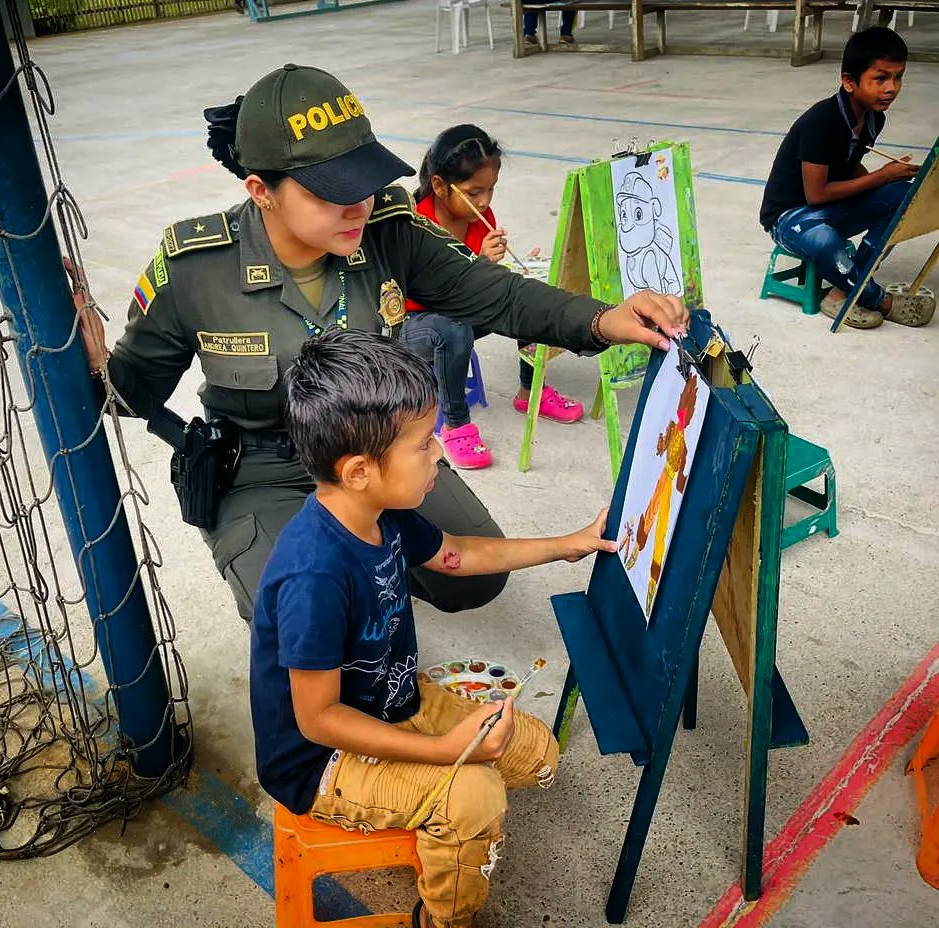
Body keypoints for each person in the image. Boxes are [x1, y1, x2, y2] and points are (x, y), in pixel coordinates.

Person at [73, 63, 687, 622]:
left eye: (362, 181)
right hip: (265, 470)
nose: (357, 204)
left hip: (382, 447)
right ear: (262, 190)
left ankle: (374, 571)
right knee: (306, 627)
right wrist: (98, 364)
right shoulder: (196, 268)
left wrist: (603, 318)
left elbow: (496, 295)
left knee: (474, 583)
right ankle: (346, 586)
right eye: (330, 190)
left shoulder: (387, 231)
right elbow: (133, 395)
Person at [252, 327, 618, 928]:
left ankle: (434, 809)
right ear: (359, 470)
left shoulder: (384, 513)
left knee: (536, 754)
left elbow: (458, 555)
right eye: (424, 445)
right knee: (477, 798)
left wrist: (568, 545)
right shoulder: (313, 573)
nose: (441, 453)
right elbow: (317, 719)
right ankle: (442, 919)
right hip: (320, 761)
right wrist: (443, 754)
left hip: (395, 702)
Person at [401, 125, 584, 471]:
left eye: (490, 190)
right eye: (474, 191)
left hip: (456, 310)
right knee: (451, 329)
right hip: (412, 325)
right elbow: (427, 293)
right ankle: (455, 424)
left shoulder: (477, 217)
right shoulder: (414, 223)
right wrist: (478, 262)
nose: (484, 201)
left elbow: (483, 289)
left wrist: (512, 269)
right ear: (440, 186)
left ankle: (530, 390)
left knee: (524, 294)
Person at [759, 27, 934, 330]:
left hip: (828, 207)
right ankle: (881, 301)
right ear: (849, 81)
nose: (891, 88)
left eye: (898, 77)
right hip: (789, 217)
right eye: (880, 78)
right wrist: (881, 177)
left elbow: (851, 166)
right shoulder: (822, 121)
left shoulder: (873, 117)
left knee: (902, 197)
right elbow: (816, 195)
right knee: (825, 239)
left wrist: (887, 184)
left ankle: (841, 292)